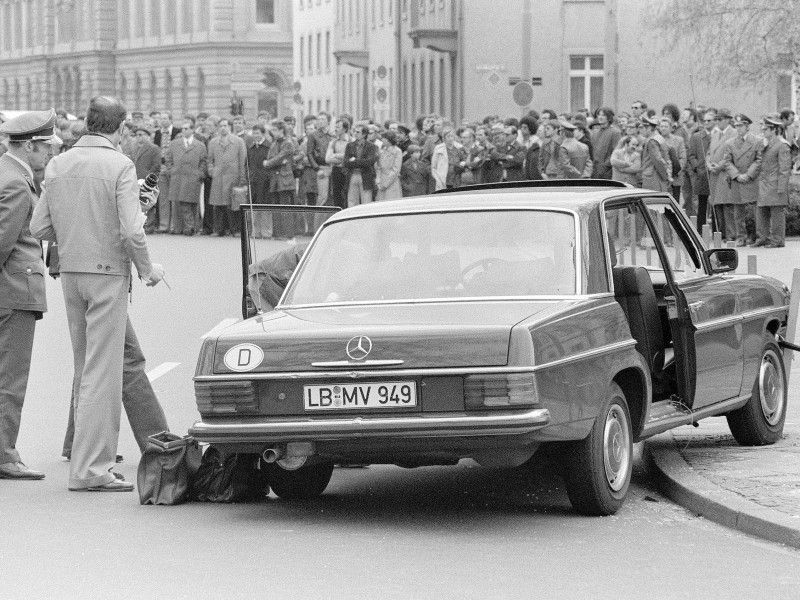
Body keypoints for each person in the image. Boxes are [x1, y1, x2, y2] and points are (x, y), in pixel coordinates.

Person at [30, 96, 165, 492]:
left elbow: (40, 227)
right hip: (107, 273)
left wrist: (78, 230)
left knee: (88, 366)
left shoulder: (59, 163)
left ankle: (88, 460)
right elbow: (129, 231)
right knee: (102, 374)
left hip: (71, 271)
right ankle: (91, 469)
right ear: (118, 128)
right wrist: (148, 269)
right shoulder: (120, 165)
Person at [0, 109, 61, 480]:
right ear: (30, 146)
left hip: (10, 288)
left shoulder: (8, 172)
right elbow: (4, 242)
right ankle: (5, 456)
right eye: (45, 148)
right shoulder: (16, 182)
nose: (50, 155)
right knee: (9, 379)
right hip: (13, 290)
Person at [721, 114, 762, 246]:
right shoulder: (730, 143)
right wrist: (737, 175)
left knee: (755, 211)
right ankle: (741, 236)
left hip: (752, 179)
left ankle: (755, 236)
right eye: (736, 126)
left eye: (741, 126)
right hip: (737, 179)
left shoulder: (757, 141)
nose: (738, 129)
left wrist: (748, 175)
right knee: (738, 211)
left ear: (747, 126)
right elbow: (727, 161)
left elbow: (759, 160)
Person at [752, 117, 791, 247]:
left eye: (765, 130)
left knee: (776, 214)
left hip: (775, 184)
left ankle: (777, 240)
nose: (763, 132)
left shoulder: (782, 145)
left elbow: (785, 169)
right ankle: (762, 238)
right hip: (764, 184)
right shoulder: (766, 143)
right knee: (761, 212)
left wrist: (781, 188)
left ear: (774, 130)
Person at [166, 117, 208, 236]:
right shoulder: (174, 144)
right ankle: (187, 227)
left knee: (191, 203)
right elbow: (168, 159)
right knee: (181, 202)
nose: (183, 131)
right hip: (178, 177)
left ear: (192, 130)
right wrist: (171, 171)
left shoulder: (200, 145)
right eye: (182, 128)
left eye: (186, 128)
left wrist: (200, 173)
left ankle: (191, 227)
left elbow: (204, 161)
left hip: (193, 178)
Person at [208, 118, 247, 236]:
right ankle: (219, 229)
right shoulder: (213, 142)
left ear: (230, 127)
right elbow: (210, 159)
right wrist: (211, 170)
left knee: (233, 204)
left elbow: (242, 160)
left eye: (225, 125)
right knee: (218, 205)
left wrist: (242, 177)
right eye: (220, 126)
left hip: (233, 176)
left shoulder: (238, 141)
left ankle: (235, 229)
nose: (223, 128)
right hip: (218, 176)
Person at [263, 119, 297, 239]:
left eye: (275, 130)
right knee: (275, 205)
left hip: (285, 178)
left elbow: (278, 157)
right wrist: (272, 162)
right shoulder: (274, 143)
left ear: (281, 130)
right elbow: (273, 158)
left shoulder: (288, 143)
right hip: (275, 179)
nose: (272, 132)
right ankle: (277, 233)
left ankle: (288, 233)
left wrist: (269, 163)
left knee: (286, 206)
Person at [707, 109, 736, 239]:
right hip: (714, 174)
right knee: (717, 204)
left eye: (720, 119)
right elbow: (708, 152)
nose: (717, 122)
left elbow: (731, 154)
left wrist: (719, 166)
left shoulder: (733, 133)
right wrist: (708, 163)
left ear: (728, 119)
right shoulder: (715, 134)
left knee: (727, 205)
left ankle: (730, 234)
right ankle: (721, 234)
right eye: (716, 119)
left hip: (725, 173)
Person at [687, 109, 715, 231]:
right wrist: (697, 167)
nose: (706, 123)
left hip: (715, 173)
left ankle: (717, 231)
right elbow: (691, 155)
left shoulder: (718, 136)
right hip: (702, 174)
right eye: (705, 121)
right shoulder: (696, 137)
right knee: (702, 204)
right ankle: (700, 230)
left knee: (716, 204)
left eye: (710, 120)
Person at [131, 126, 162, 234]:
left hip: (147, 180)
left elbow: (156, 165)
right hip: (135, 179)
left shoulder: (154, 148)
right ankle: (140, 225)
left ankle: (149, 226)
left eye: (141, 135)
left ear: (148, 136)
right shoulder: (134, 147)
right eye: (136, 135)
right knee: (137, 202)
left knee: (148, 202)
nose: (138, 137)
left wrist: (147, 178)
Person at [246, 123, 272, 238]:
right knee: (254, 206)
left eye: (257, 133)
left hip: (265, 180)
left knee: (266, 205)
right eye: (254, 133)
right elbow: (247, 164)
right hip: (253, 180)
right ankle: (255, 232)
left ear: (263, 133)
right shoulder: (251, 148)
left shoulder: (269, 146)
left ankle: (266, 232)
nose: (255, 135)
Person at [344, 123, 379, 206]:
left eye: (358, 132)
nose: (355, 134)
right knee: (352, 201)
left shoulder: (371, 146)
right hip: (352, 175)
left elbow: (369, 162)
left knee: (366, 201)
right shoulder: (350, 145)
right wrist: (360, 162)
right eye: (355, 132)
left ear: (364, 134)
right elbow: (346, 162)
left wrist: (354, 161)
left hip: (366, 176)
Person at [307, 112, 334, 207]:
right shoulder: (313, 135)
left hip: (334, 166)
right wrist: (317, 168)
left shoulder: (333, 135)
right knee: (322, 196)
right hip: (322, 167)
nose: (320, 121)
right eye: (319, 119)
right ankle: (317, 219)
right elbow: (309, 153)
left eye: (323, 119)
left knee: (333, 195)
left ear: (328, 121)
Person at [639, 116, 671, 192]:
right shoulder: (658, 138)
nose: (640, 131)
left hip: (654, 178)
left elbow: (658, 160)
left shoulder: (652, 141)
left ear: (649, 128)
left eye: (642, 128)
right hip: (657, 176)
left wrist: (666, 176)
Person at [325, 118, 351, 210]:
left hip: (348, 171)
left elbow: (352, 158)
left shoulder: (351, 141)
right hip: (336, 171)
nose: (336, 129)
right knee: (337, 196)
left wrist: (335, 155)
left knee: (348, 195)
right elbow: (328, 159)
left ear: (345, 129)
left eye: (338, 127)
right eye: (335, 127)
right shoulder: (333, 142)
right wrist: (343, 158)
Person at [591, 107, 621, 179]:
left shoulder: (615, 132)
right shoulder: (595, 132)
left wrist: (605, 166)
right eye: (599, 115)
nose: (600, 117)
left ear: (609, 117)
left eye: (603, 115)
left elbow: (615, 151)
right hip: (595, 169)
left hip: (607, 170)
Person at [376, 130, 403, 200]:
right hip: (381, 181)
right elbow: (378, 167)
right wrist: (378, 181)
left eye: (384, 138)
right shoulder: (382, 151)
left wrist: (385, 184)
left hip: (392, 182)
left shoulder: (397, 151)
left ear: (389, 139)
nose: (382, 140)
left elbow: (396, 170)